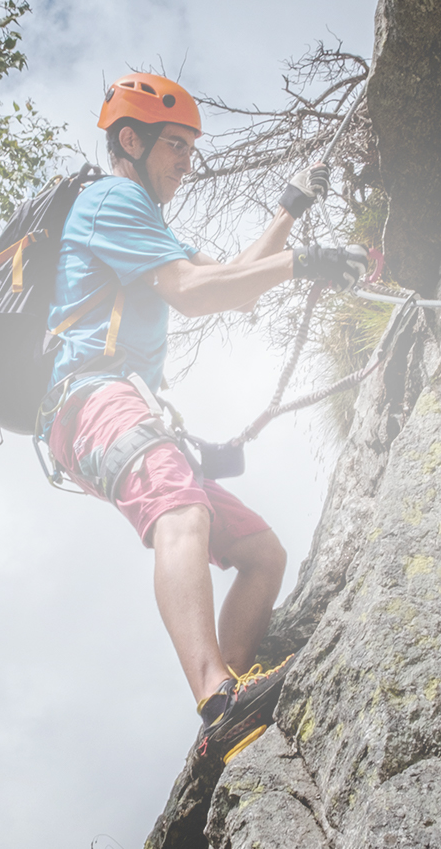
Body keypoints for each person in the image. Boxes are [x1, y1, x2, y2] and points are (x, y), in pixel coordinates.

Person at [39, 73, 367, 760]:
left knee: (261, 554)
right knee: (181, 511)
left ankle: (233, 701)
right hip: (90, 398)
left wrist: (289, 211)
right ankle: (218, 697)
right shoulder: (112, 200)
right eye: (177, 146)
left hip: (115, 408)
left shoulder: (146, 222)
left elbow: (233, 285)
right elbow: (192, 293)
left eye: (191, 148)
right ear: (132, 141)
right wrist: (302, 263)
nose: (188, 163)